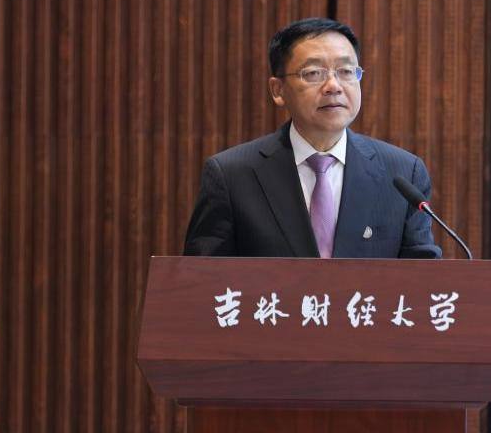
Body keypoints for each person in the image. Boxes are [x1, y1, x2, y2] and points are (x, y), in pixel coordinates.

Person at [183, 17, 442, 259]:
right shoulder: (232, 175)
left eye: (346, 71)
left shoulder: (403, 174)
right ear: (278, 90)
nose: (333, 86)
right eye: (313, 73)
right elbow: (203, 280)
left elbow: (421, 279)